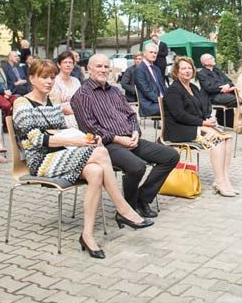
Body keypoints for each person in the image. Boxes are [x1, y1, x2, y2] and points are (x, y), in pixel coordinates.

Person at [13, 59, 152, 258]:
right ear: (31, 78)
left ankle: (87, 235)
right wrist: (79, 142)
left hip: (60, 153)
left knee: (96, 171)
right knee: (101, 152)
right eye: (44, 77)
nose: (49, 81)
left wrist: (81, 137)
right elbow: (36, 140)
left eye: (52, 77)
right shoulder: (22, 103)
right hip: (40, 161)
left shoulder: (52, 101)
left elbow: (60, 130)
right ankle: (123, 208)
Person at [71, 54, 179, 219]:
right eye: (99, 66)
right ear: (89, 69)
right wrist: (117, 139)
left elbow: (130, 115)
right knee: (137, 167)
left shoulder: (114, 90)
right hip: (106, 146)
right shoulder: (82, 95)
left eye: (106, 67)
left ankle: (141, 200)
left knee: (170, 156)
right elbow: (89, 128)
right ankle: (127, 210)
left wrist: (135, 132)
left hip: (130, 139)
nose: (103, 70)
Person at [163, 57, 236, 196]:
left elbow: (201, 110)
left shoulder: (194, 87)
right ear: (177, 72)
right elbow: (179, 115)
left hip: (194, 125)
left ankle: (224, 179)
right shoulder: (173, 90)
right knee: (216, 140)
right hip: (178, 129)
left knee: (227, 137)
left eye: (189, 68)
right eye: (183, 68)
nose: (187, 71)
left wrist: (209, 119)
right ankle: (220, 182)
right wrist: (203, 124)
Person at [197, 53, 237, 127]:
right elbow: (209, 88)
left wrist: (227, 85)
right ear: (205, 62)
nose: (213, 58)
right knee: (238, 99)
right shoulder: (201, 73)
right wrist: (222, 88)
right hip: (213, 96)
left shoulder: (217, 70)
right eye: (211, 58)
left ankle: (223, 120)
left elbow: (229, 81)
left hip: (225, 94)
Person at [50, 50, 82, 128]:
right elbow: (57, 106)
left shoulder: (76, 81)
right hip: (64, 116)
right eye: (65, 62)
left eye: (70, 63)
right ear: (59, 65)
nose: (68, 65)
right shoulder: (55, 81)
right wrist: (77, 114)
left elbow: (82, 100)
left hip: (79, 112)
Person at [133, 44, 165, 118]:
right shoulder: (139, 70)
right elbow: (146, 91)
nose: (153, 55)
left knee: (179, 104)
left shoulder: (157, 69)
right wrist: (162, 101)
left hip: (160, 101)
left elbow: (163, 87)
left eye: (155, 53)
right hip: (149, 104)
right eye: (151, 52)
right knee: (174, 108)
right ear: (144, 53)